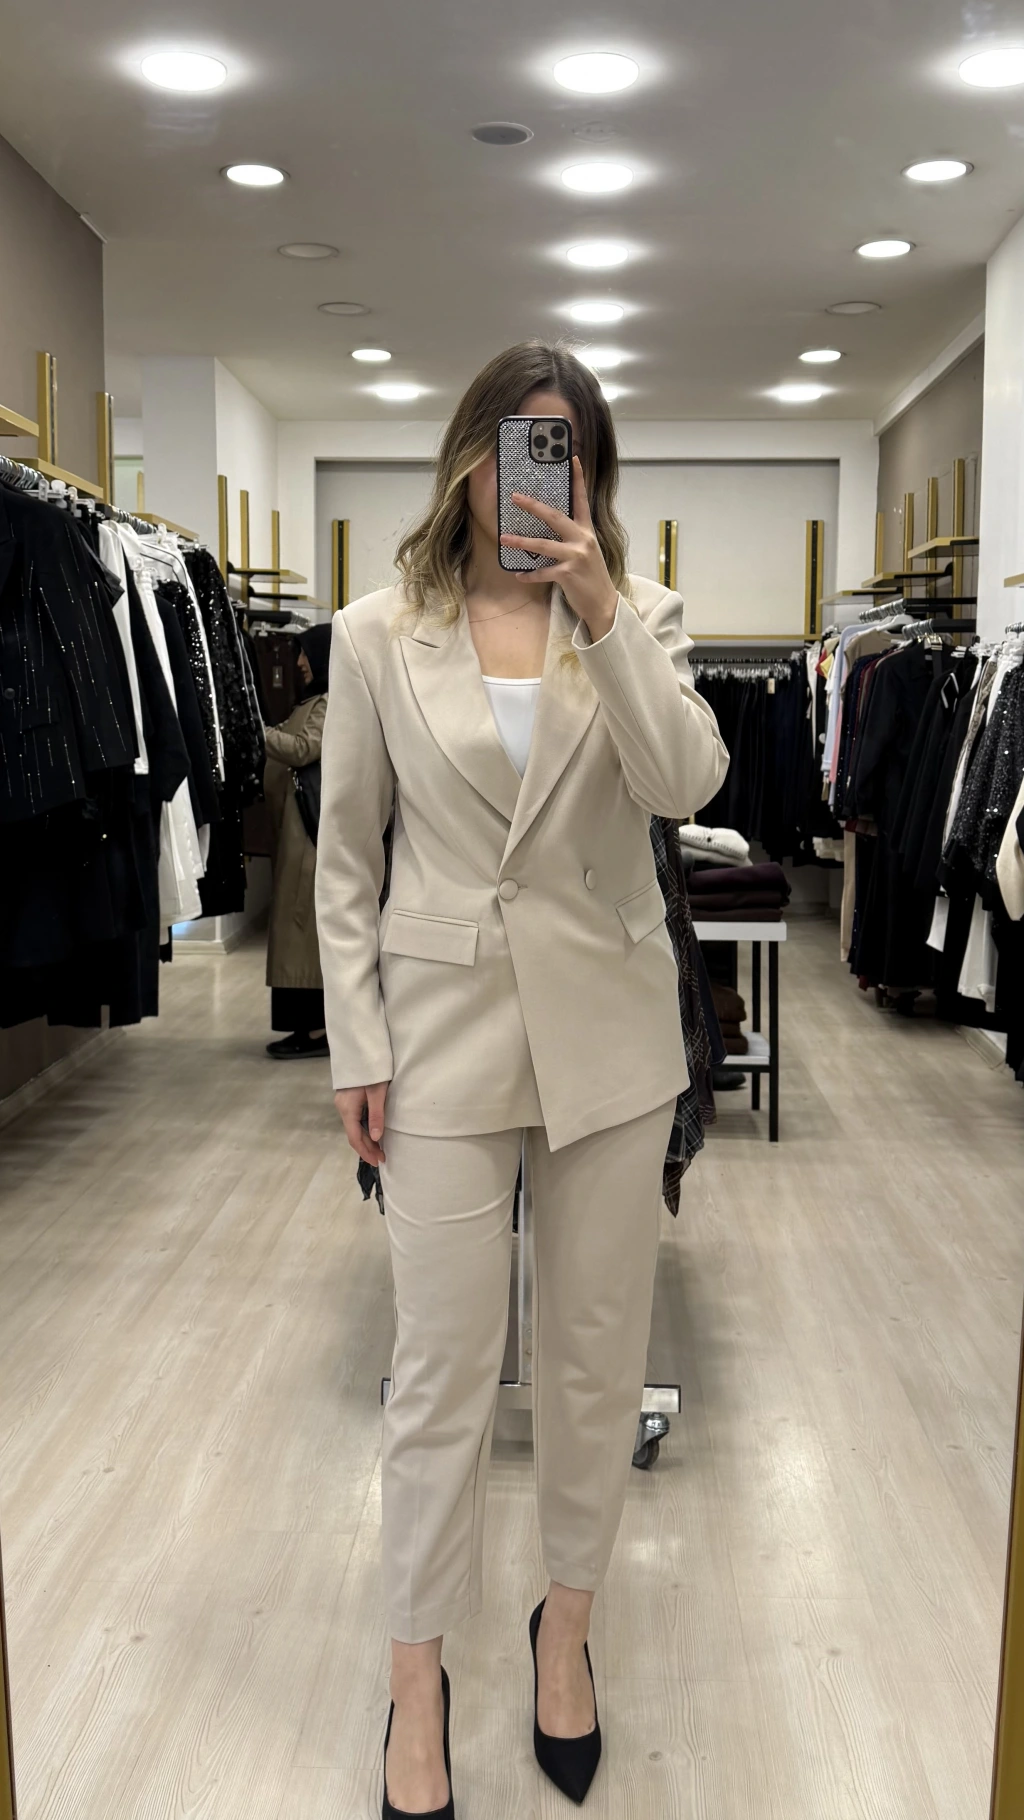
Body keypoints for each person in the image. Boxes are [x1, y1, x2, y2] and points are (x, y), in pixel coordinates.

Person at [315, 342, 728, 1817]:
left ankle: (567, 1626)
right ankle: (415, 1675)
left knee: (593, 1361)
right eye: (510, 443)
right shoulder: (377, 632)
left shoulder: (641, 617)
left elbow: (686, 784)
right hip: (437, 1042)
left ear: (592, 477)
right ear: (468, 457)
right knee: (438, 1371)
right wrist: (356, 1042)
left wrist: (601, 611)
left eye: (563, 449)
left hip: (608, 1042)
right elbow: (346, 857)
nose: (529, 474)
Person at [263, 623, 332, 1059]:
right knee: (295, 931)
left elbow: (306, 749)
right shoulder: (314, 700)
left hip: (310, 835)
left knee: (303, 932)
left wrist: (258, 732)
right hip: (298, 834)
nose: (301, 663)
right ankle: (305, 1027)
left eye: (306, 653)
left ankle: (317, 1030)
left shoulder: (329, 702)